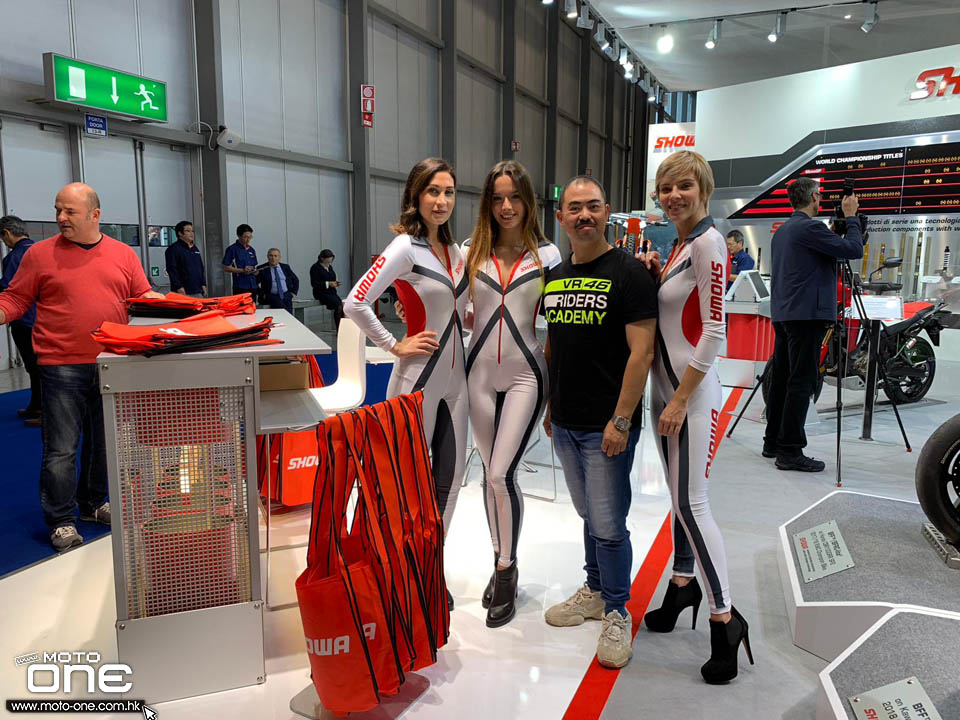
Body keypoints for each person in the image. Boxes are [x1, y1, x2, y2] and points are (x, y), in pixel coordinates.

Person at [637, 150, 752, 684]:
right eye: (666, 187)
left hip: (690, 395)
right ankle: (683, 583)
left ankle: (725, 618)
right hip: (667, 393)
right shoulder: (682, 244)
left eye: (684, 185)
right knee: (680, 502)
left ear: (703, 188)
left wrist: (682, 398)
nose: (674, 195)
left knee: (691, 502)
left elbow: (713, 331)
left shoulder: (708, 243)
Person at [0, 183, 162, 551]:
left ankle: (93, 503)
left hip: (112, 363)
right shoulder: (40, 255)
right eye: (58, 209)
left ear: (95, 215)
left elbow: (141, 296)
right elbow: (16, 298)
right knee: (60, 450)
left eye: (69, 211)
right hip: (60, 365)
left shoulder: (123, 254)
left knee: (102, 445)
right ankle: (61, 519)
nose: (61, 217)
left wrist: (171, 306)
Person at [541, 175, 657, 669]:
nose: (584, 215)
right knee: (589, 514)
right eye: (574, 208)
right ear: (561, 217)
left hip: (607, 424)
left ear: (607, 212)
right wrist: (551, 405)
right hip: (566, 421)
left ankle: (616, 610)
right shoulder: (554, 276)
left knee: (609, 524)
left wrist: (622, 420)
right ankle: (593, 590)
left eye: (592, 206)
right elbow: (554, 344)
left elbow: (641, 352)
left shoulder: (629, 273)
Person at [343, 158, 468, 609]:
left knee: (450, 478)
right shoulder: (405, 248)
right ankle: (392, 570)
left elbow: (459, 312)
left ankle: (429, 567)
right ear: (416, 196)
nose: (441, 201)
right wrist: (393, 344)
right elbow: (355, 302)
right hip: (416, 380)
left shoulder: (455, 253)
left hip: (458, 383)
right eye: (433, 191)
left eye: (449, 192)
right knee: (399, 481)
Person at [462, 160, 562, 628]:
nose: (506, 206)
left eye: (515, 197)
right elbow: (455, 309)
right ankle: (500, 558)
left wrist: (557, 393)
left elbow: (560, 326)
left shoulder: (549, 255)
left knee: (501, 474)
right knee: (489, 476)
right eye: (498, 197)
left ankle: (506, 570)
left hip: (526, 376)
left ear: (528, 201)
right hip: (477, 376)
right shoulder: (470, 251)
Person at [764, 176, 863, 471]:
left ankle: (773, 442)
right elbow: (854, 250)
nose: (821, 199)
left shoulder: (783, 231)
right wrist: (852, 218)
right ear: (813, 198)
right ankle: (790, 451)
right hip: (807, 315)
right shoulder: (809, 228)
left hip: (785, 314)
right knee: (802, 381)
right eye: (819, 195)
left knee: (782, 379)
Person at [0, 215, 41, 426]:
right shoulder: (40, 251)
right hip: (42, 318)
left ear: (7, 233)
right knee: (40, 366)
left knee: (34, 367)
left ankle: (42, 410)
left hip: (24, 320)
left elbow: (8, 289)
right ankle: (36, 405)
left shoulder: (14, 257)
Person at [165, 220, 206, 297]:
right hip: (182, 290)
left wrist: (203, 283)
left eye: (192, 231)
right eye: (188, 231)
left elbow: (200, 267)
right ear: (180, 233)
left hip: (198, 289)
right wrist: (178, 286)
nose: (191, 233)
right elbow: (172, 269)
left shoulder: (194, 248)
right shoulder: (173, 249)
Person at [310, 249, 344, 329]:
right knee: (338, 306)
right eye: (327, 260)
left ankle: (342, 328)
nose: (329, 262)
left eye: (330, 260)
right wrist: (328, 283)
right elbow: (314, 284)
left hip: (331, 292)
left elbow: (331, 278)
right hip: (321, 292)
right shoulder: (315, 268)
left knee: (341, 306)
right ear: (322, 258)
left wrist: (335, 283)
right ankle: (339, 329)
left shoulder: (330, 267)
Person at [257, 248, 299, 313]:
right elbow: (254, 284)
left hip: (286, 294)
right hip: (271, 295)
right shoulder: (262, 268)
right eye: (271, 256)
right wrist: (262, 294)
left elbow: (295, 280)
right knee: (283, 310)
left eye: (275, 256)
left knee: (289, 310)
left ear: (279, 257)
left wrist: (293, 293)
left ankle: (288, 318)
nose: (273, 258)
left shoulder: (285, 267)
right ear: (267, 257)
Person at [222, 223, 258, 295]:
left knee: (253, 302)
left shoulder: (251, 249)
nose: (248, 239)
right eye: (245, 237)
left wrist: (255, 271)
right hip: (240, 285)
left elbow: (254, 265)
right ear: (239, 236)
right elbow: (226, 267)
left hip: (252, 284)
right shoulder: (232, 249)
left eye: (250, 237)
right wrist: (243, 270)